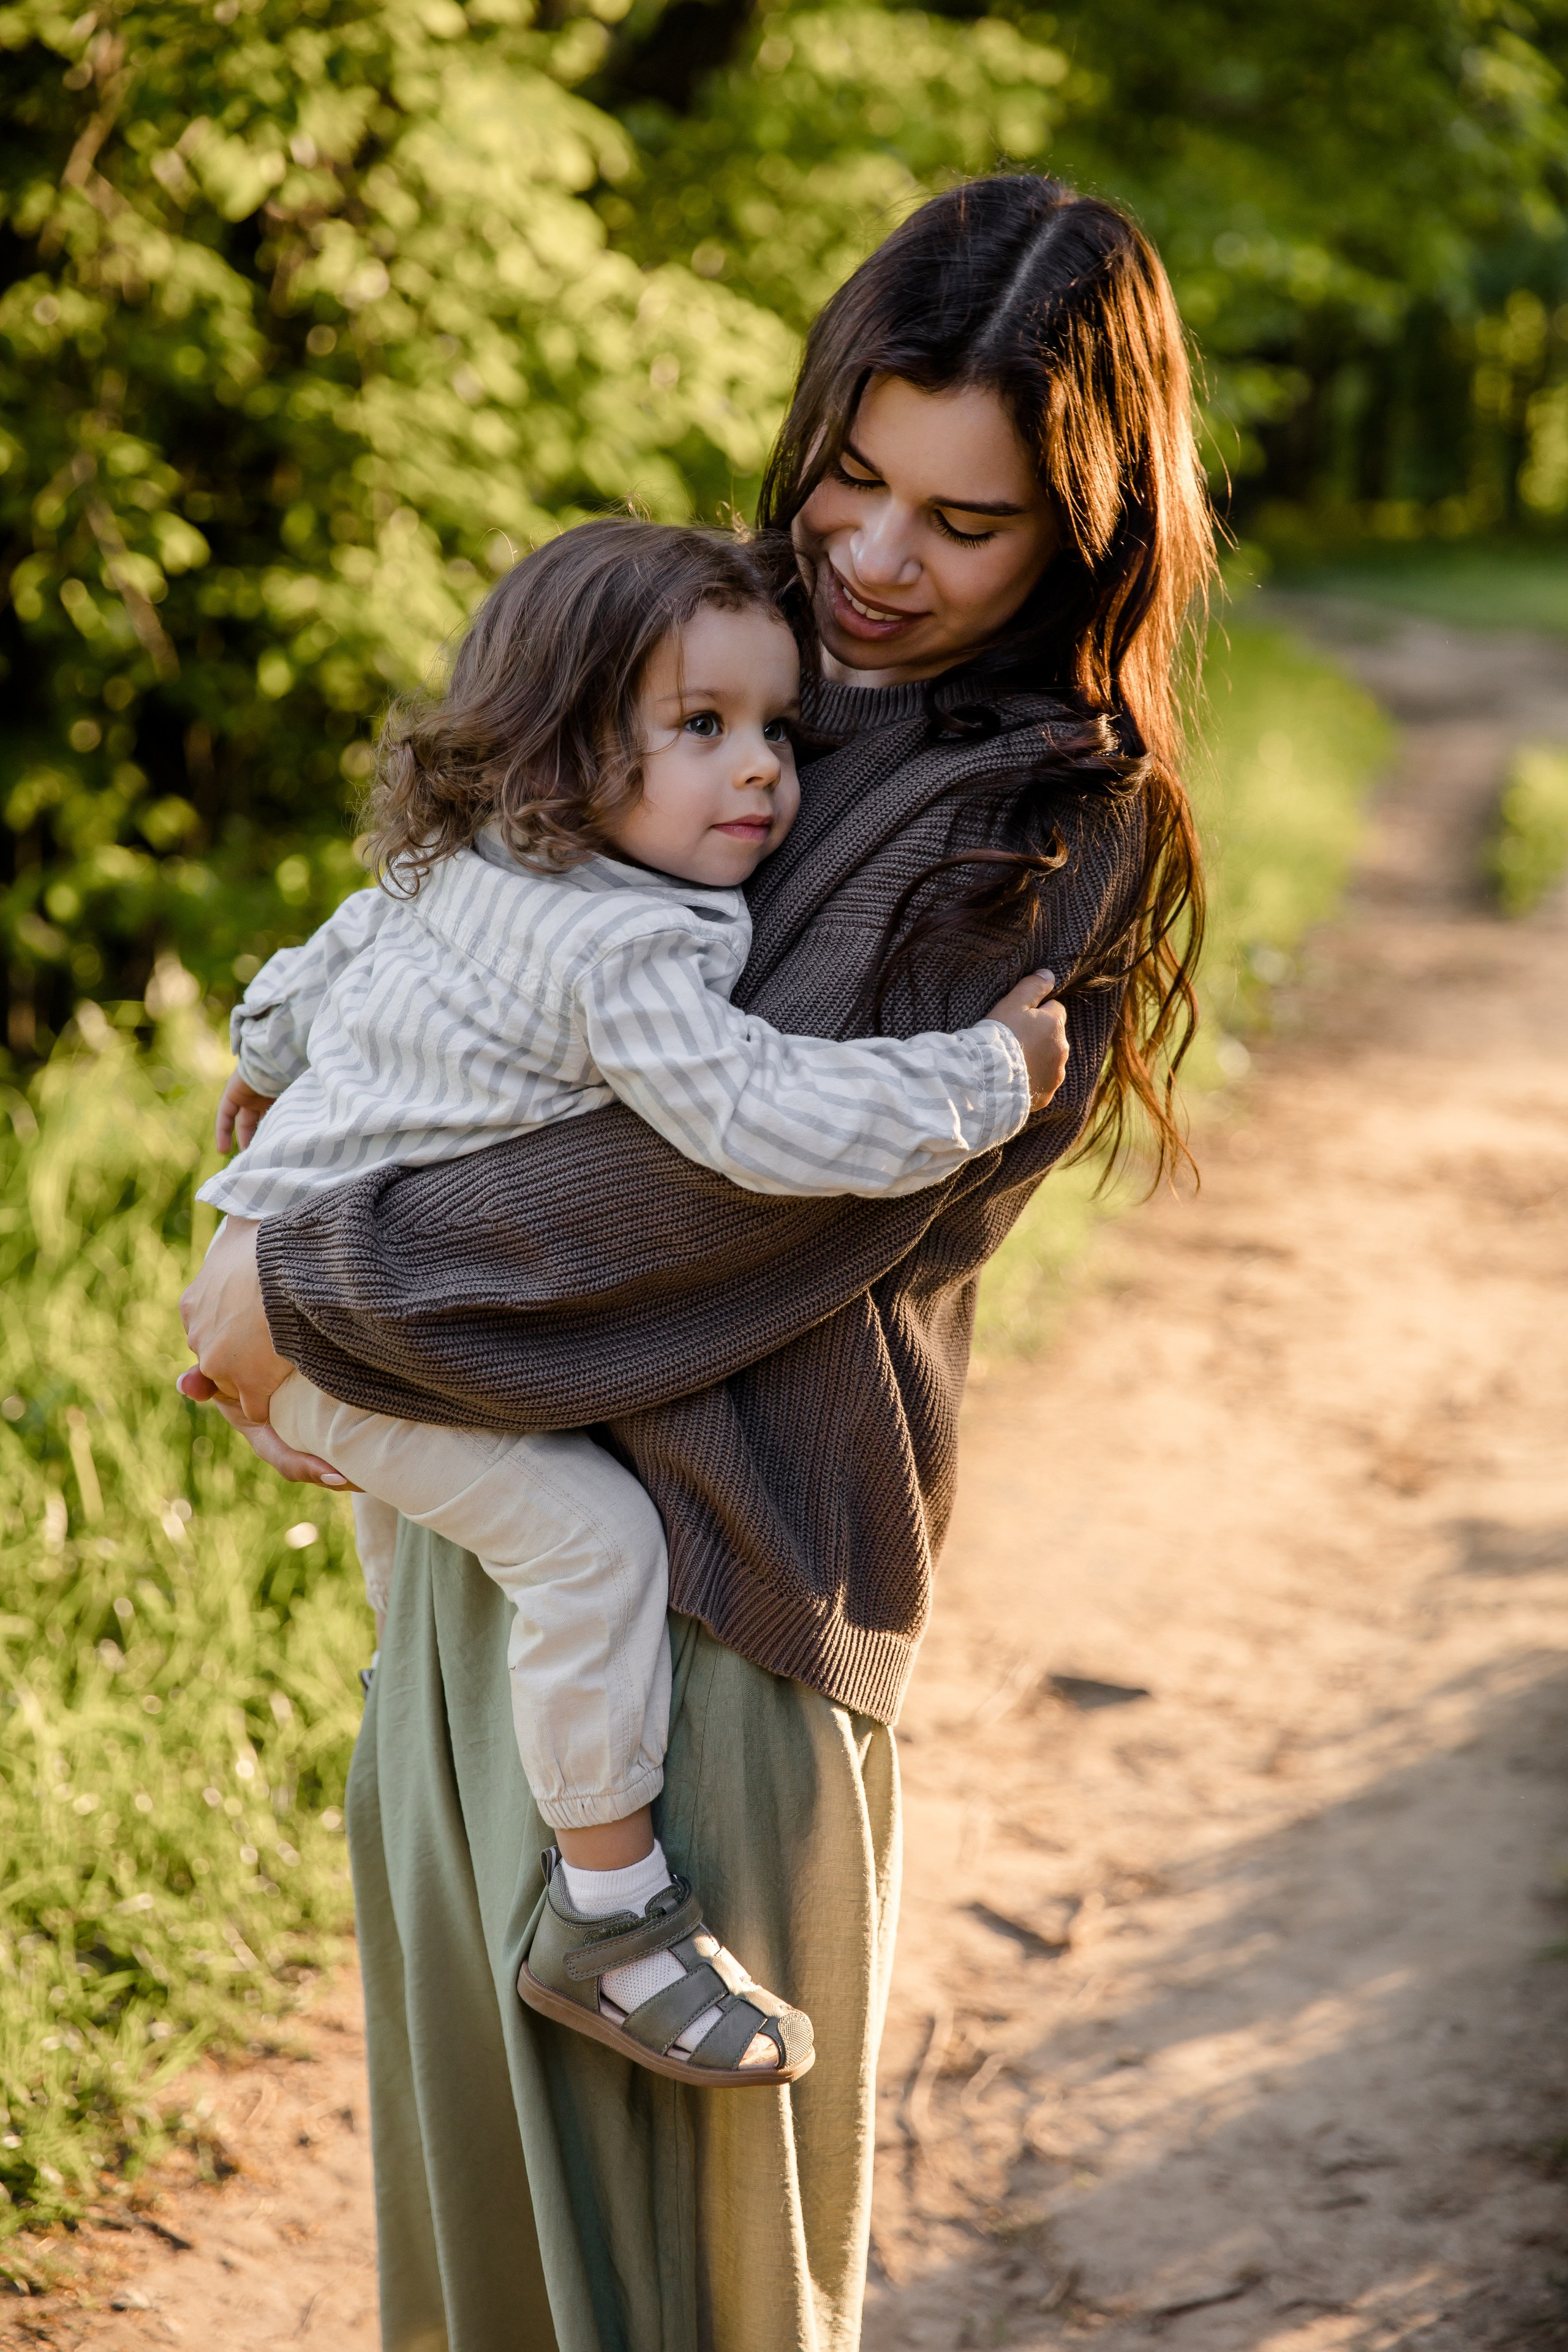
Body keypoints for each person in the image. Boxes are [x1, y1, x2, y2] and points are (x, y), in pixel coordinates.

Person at [180, 172, 1213, 2349]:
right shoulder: (720, 669)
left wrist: (301, 1288)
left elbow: (722, 1196)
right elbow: (467, 920)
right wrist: (309, 1070)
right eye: (853, 475)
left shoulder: (1028, 814)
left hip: (720, 1593)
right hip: (493, 1553)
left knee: (671, 2304)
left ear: (1089, 535)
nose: (876, 557)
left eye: (969, 520)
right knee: (487, 2282)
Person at [191, 516, 1069, 2089]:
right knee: (593, 1541)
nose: (761, 774)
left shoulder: (469, 864)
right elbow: (762, 1123)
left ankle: (441, 1765)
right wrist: (986, 1076)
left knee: (439, 1539)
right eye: (700, 729)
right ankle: (611, 1915)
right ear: (561, 749)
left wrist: (259, 1064)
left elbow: (328, 957)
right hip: (338, 1305)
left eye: (777, 730)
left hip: (287, 1257)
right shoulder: (627, 945)